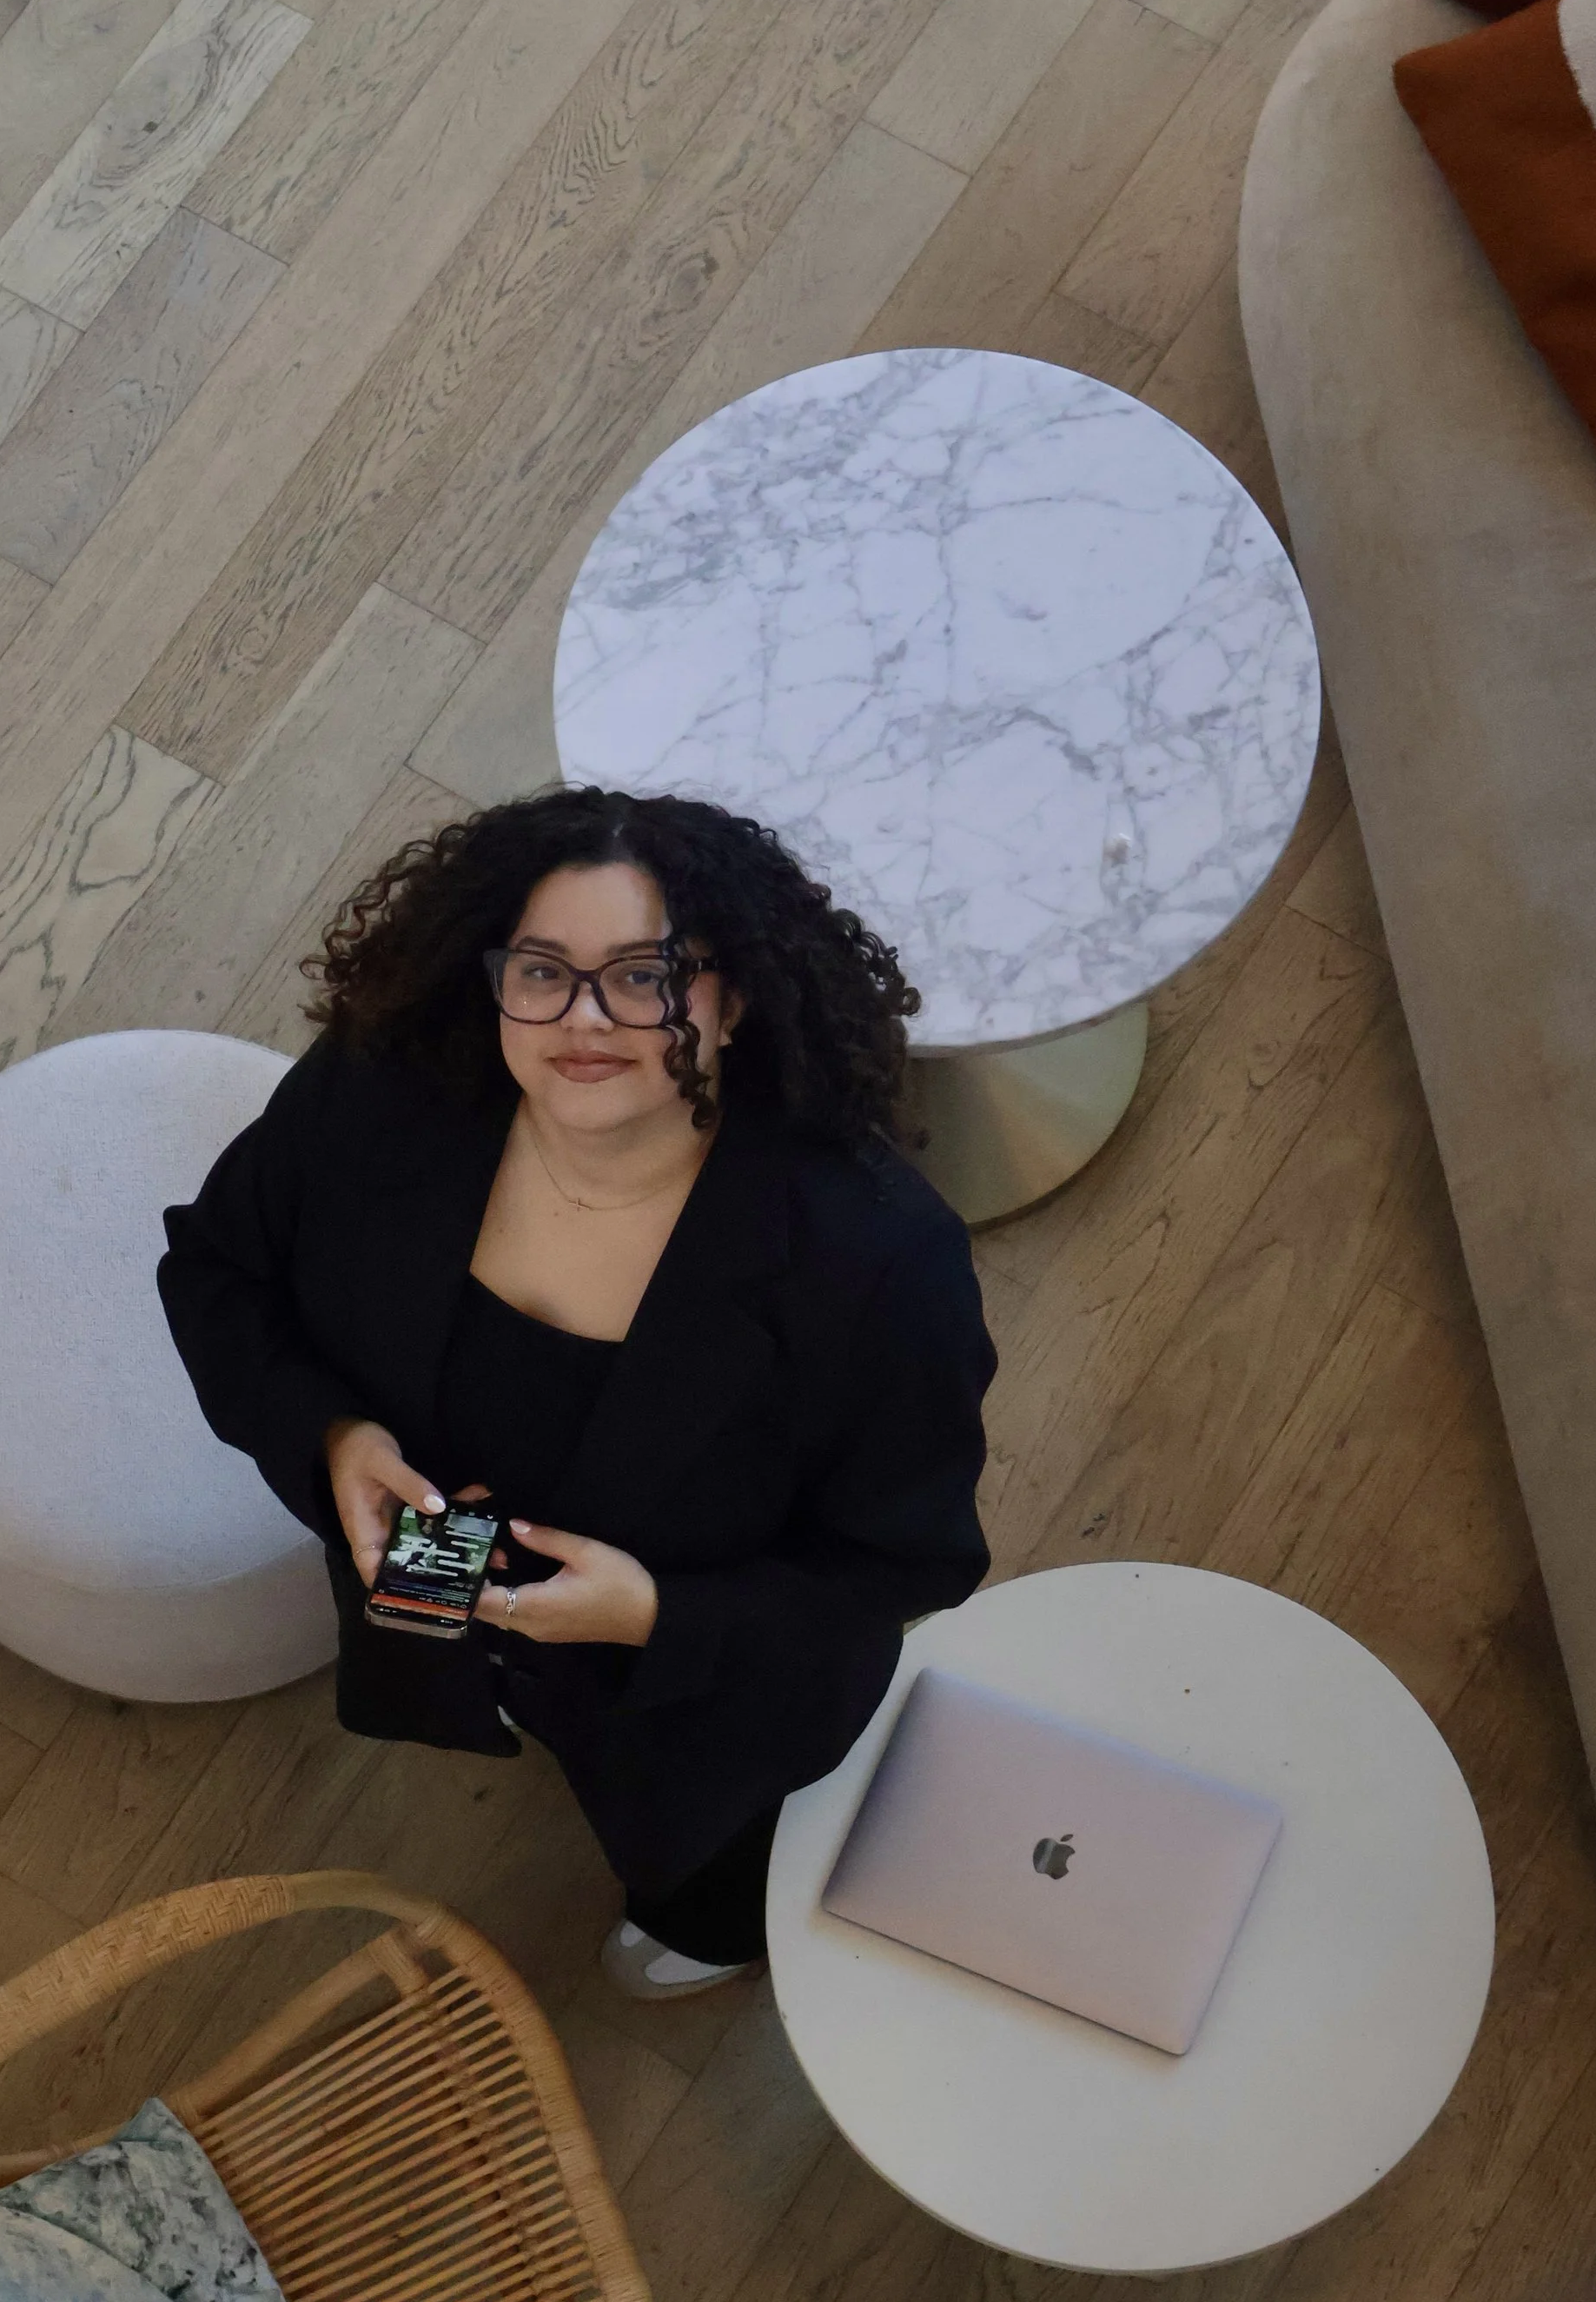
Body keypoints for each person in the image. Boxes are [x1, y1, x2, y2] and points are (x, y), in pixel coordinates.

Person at [157, 788, 996, 2000]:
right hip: (439, 1552)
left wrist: (656, 1616)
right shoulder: (383, 1089)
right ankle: (482, 1694)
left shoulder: (878, 1261)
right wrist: (332, 1435)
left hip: (697, 1666)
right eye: (543, 970)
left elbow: (906, 1561)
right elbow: (218, 1271)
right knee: (446, 1673)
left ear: (735, 1000)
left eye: (647, 977)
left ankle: (713, 1918)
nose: (584, 1019)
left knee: (698, 1825)